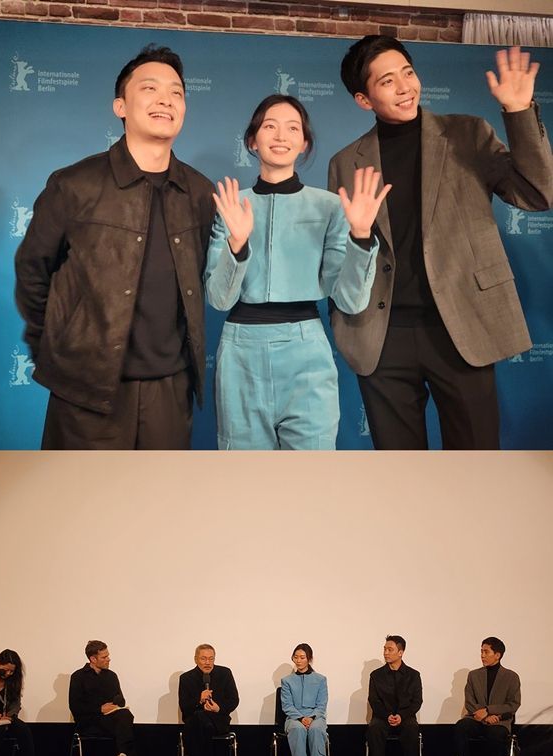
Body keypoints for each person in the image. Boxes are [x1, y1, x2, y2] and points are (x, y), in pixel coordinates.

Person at [329, 36, 553, 449]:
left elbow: (538, 194)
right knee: (400, 473)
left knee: (475, 463)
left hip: (461, 326)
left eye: (408, 73)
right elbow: (343, 261)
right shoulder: (345, 163)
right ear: (364, 99)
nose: (405, 87)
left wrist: (519, 112)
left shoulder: (467, 134)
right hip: (382, 337)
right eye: (387, 81)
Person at [15, 44, 215, 449]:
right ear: (120, 106)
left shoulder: (199, 191)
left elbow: (208, 280)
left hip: (170, 391)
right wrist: (58, 349)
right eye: (150, 89)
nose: (165, 100)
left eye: (176, 92)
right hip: (85, 391)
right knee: (80, 491)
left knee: (160, 491)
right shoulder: (74, 184)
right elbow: (33, 273)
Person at [205, 94, 389, 449]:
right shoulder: (231, 205)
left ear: (304, 143)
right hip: (240, 352)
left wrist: (362, 237)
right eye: (269, 126)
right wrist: (237, 244)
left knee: (312, 472)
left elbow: (350, 301)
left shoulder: (331, 207)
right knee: (245, 473)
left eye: (293, 128)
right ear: (252, 140)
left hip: (306, 351)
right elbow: (219, 298)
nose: (280, 136)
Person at [69, 640, 138, 756]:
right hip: (89, 722)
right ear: (93, 659)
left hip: (109, 721)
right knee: (125, 728)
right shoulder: (78, 677)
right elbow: (75, 706)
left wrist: (118, 704)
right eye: (104, 657)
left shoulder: (111, 676)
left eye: (108, 656)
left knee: (125, 716)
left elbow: (120, 700)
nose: (108, 659)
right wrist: (99, 709)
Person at [454, 636, 520, 756]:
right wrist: (484, 717)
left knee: (495, 734)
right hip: (476, 719)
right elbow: (469, 701)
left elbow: (513, 704)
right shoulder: (473, 675)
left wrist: (489, 711)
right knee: (461, 726)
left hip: (499, 721)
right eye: (481, 651)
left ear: (497, 655)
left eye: (486, 652)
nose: (482, 655)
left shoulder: (511, 677)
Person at [173, 644, 239, 756]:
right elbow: (184, 706)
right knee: (201, 719)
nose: (207, 662)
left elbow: (234, 700)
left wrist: (218, 708)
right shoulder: (186, 678)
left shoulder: (225, 673)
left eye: (211, 659)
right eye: (203, 659)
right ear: (196, 659)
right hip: (197, 723)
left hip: (219, 721)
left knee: (200, 718)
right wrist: (199, 699)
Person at [367, 635, 422, 756]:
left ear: (400, 652)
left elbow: (417, 701)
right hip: (382, 716)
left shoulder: (413, 675)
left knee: (412, 727)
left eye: (390, 649)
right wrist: (387, 716)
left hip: (405, 716)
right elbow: (374, 700)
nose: (386, 653)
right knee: (374, 728)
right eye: (384, 649)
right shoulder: (376, 675)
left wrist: (401, 716)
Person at [280, 644, 328, 756]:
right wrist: (301, 718)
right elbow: (287, 705)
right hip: (294, 717)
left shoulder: (321, 679)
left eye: (302, 657)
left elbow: (322, 704)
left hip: (316, 716)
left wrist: (311, 717)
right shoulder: (287, 681)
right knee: (297, 729)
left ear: (309, 659)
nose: (298, 660)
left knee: (316, 729)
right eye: (296, 657)